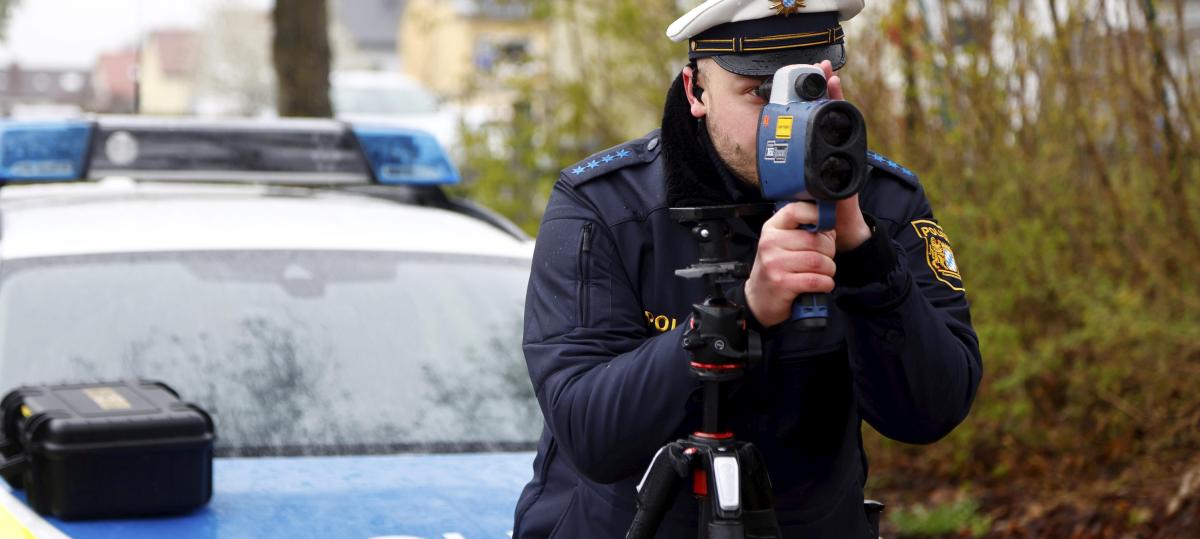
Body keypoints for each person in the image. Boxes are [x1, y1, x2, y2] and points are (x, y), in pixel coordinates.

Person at [512, 0, 982, 537]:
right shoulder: (606, 207)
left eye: (811, 87)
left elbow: (930, 413)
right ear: (696, 92)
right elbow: (589, 430)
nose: (790, 119)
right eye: (761, 94)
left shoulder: (885, 202)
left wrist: (863, 255)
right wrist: (739, 313)